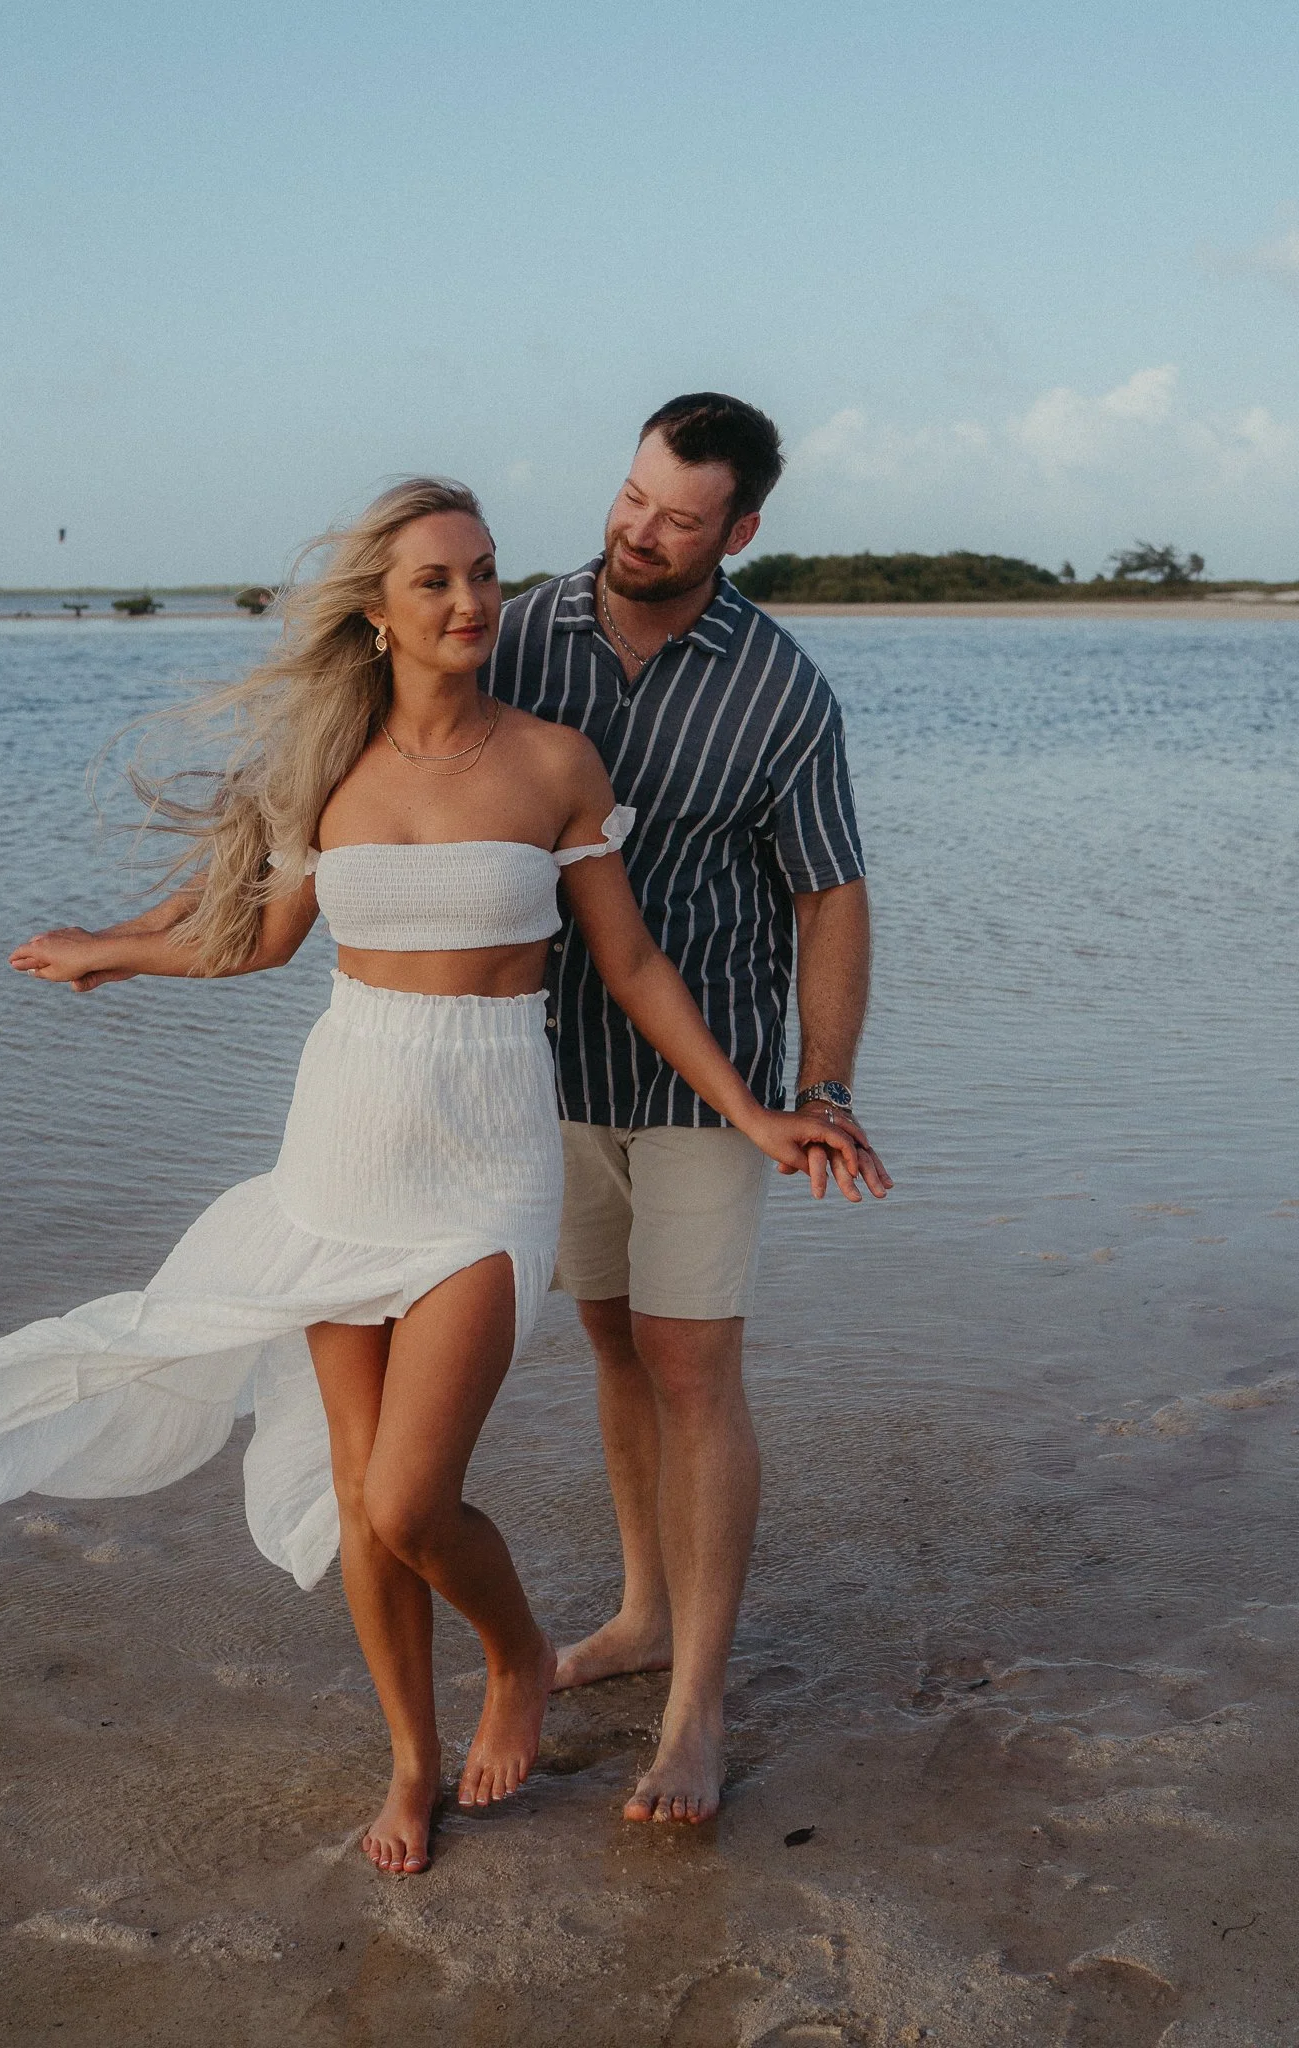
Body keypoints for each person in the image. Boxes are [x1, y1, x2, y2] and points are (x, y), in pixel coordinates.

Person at [0, 477, 877, 1879]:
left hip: (486, 1155)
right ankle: (412, 1761)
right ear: (377, 613)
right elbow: (257, 941)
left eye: (483, 573)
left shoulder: (554, 765)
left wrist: (759, 1111)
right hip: (344, 1143)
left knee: (415, 1498)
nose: (473, 601)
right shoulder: (328, 773)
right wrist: (115, 951)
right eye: (436, 581)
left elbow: (632, 965)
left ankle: (517, 1656)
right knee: (363, 1500)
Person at [485, 394, 890, 1825]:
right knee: (610, 1340)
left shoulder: (781, 689)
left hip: (708, 1073)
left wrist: (821, 1084)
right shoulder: (516, 635)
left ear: (741, 530)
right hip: (543, 1063)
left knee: (692, 1362)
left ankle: (697, 1705)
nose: (639, 532)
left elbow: (829, 894)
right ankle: (643, 1612)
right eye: (632, 497)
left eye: (678, 517)